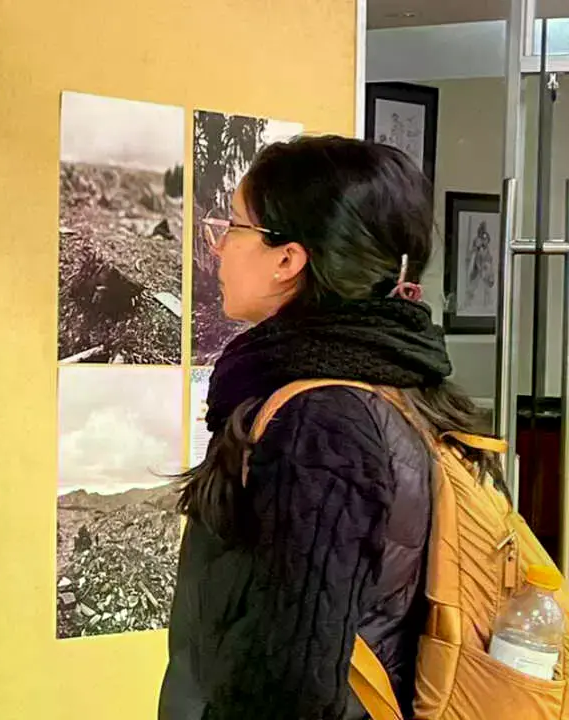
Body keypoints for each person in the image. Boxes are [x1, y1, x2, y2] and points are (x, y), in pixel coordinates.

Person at [159, 135, 502, 720]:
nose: (217, 250)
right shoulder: (401, 383)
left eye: (232, 228)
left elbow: (293, 688)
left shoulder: (320, 424)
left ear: (288, 259)